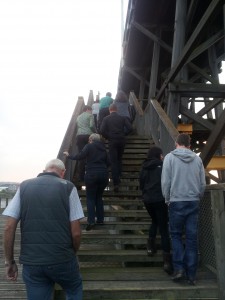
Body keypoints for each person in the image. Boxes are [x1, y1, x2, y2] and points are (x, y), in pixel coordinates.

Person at [2, 159, 84, 300]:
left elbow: (9, 227)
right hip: (62, 259)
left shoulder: (24, 186)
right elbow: (76, 233)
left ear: (44, 170)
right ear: (62, 172)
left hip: (32, 262)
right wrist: (72, 253)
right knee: (73, 288)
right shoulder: (68, 187)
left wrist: (10, 261)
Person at [161, 133, 206, 285]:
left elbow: (166, 182)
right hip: (193, 201)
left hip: (176, 201)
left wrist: (167, 198)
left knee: (176, 236)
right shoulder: (197, 159)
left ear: (176, 143)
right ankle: (192, 275)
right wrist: (198, 196)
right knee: (192, 239)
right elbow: (202, 184)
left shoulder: (169, 158)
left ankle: (179, 269)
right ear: (189, 144)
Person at [64, 133, 110, 231]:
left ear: (90, 139)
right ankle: (100, 220)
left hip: (91, 174)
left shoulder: (89, 146)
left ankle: (91, 221)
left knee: (90, 198)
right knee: (99, 197)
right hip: (103, 175)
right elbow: (109, 163)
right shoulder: (104, 149)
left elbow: (80, 156)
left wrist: (69, 156)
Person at [139, 146, 173, 275]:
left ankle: (150, 247)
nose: (163, 156)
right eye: (161, 154)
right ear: (158, 155)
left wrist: (145, 194)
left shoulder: (144, 167)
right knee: (163, 227)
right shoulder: (162, 166)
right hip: (160, 199)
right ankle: (167, 261)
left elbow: (141, 184)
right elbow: (167, 182)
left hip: (148, 200)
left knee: (154, 221)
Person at [99, 103, 133, 192]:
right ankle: (120, 174)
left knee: (113, 161)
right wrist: (124, 134)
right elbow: (130, 128)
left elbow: (101, 130)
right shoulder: (122, 118)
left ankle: (116, 183)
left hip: (112, 141)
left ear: (109, 110)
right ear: (116, 109)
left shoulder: (106, 119)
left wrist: (108, 136)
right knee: (119, 158)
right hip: (122, 140)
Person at [76, 105, 96, 181]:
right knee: (90, 154)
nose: (91, 111)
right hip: (88, 136)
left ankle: (81, 176)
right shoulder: (90, 115)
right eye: (90, 110)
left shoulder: (78, 117)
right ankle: (90, 174)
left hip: (79, 136)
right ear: (87, 109)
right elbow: (91, 126)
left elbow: (78, 125)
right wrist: (95, 132)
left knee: (81, 155)